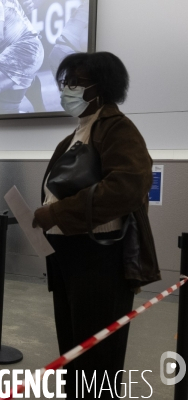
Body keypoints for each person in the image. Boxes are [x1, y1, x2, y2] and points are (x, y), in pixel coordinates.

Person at [32, 52, 161, 399]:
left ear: (100, 88)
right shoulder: (77, 133)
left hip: (100, 259)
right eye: (65, 83)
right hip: (69, 257)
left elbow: (127, 188)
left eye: (75, 83)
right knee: (73, 351)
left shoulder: (118, 129)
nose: (66, 90)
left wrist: (57, 214)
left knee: (98, 358)